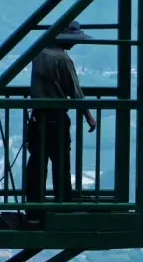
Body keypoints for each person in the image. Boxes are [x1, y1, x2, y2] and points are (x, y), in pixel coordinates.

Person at [25, 20, 96, 221]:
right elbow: (75, 92)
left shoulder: (38, 53)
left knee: (37, 165)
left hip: (38, 118)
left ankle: (33, 210)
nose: (74, 44)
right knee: (61, 165)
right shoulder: (63, 60)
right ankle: (63, 208)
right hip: (56, 118)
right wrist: (89, 117)